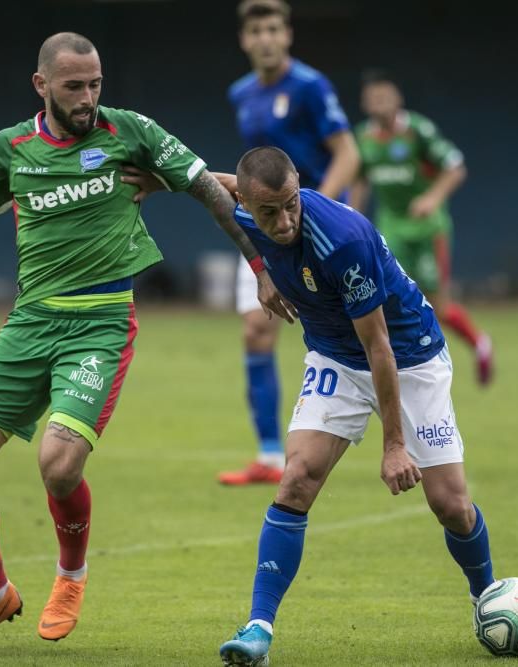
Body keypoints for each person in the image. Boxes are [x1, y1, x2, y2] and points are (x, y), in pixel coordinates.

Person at [0, 32, 292, 653]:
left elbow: (210, 188)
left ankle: (70, 575)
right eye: (73, 87)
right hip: (29, 322)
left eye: (95, 85)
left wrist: (260, 267)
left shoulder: (131, 131)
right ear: (42, 86)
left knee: (58, 465)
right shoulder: (10, 148)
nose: (88, 99)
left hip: (100, 324)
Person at [213, 147, 495, 666]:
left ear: (300, 186)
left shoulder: (343, 239)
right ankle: (258, 628)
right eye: (268, 212)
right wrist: (260, 269)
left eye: (291, 204)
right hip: (334, 356)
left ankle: (488, 599)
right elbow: (207, 185)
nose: (284, 220)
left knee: (451, 505)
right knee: (297, 478)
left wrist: (393, 446)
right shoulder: (243, 205)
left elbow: (380, 348)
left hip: (408, 356)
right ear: (248, 204)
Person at [219, 0, 361, 485]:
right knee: (256, 332)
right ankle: (269, 455)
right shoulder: (241, 93)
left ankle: (404, 428)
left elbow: (348, 153)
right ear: (243, 39)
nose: (264, 38)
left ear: (287, 34)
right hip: (268, 229)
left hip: (315, 231)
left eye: (273, 29)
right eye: (256, 30)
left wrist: (320, 210)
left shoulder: (309, 86)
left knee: (358, 332)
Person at [351, 69, 493, 386]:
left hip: (428, 230)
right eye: (373, 99)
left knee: (439, 306)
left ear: (397, 98)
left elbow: (455, 168)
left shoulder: (418, 130)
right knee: (385, 299)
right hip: (391, 230)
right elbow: (359, 180)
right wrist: (352, 218)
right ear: (365, 103)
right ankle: (401, 366)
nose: (379, 104)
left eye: (385, 97)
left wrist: (432, 197)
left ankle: (479, 344)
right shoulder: (362, 138)